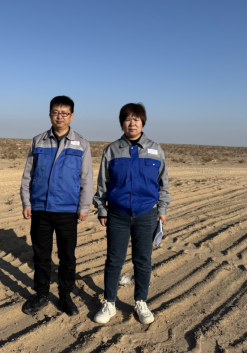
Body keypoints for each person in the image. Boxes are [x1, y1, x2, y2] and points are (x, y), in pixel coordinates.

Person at [93, 103, 171, 325]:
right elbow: (102, 183)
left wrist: (162, 209)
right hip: (117, 214)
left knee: (143, 260)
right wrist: (102, 209)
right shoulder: (111, 150)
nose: (132, 123)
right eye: (127, 119)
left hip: (147, 214)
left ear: (142, 122)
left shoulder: (156, 150)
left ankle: (141, 302)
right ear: (122, 123)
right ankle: (109, 303)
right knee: (114, 260)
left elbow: (163, 183)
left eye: (136, 119)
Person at [20, 96, 94, 317]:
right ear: (50, 114)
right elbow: (28, 175)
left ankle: (65, 296)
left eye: (64, 113)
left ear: (71, 116)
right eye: (55, 112)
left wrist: (84, 206)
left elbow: (86, 178)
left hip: (67, 210)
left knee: (67, 257)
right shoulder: (38, 140)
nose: (60, 116)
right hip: (40, 209)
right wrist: (27, 201)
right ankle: (41, 294)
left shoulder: (81, 143)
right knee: (41, 256)